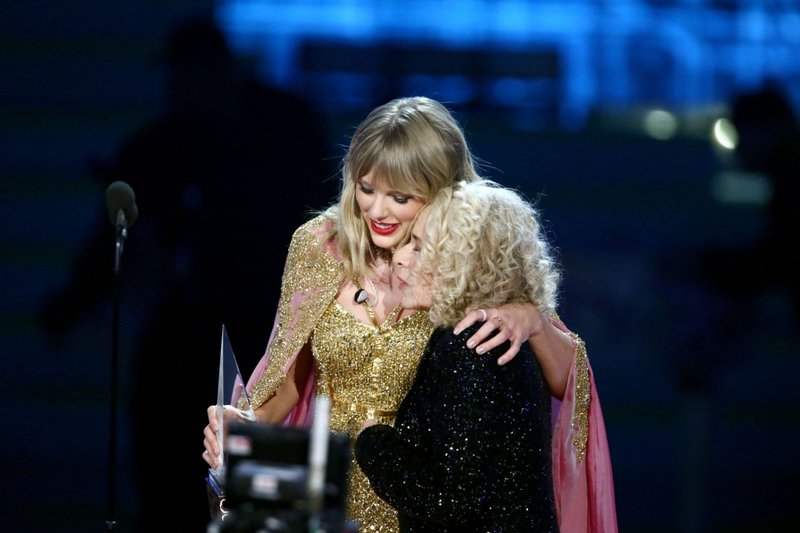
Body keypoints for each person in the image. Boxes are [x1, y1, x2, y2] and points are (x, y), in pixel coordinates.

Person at [202, 96, 577, 532]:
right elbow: (288, 380)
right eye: (366, 188)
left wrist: (531, 319)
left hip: (425, 507)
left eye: (400, 197)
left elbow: (565, 383)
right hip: (328, 501)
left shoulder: (472, 256)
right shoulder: (318, 247)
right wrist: (244, 427)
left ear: (443, 191)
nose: (377, 211)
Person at [40, 16, 336, 531]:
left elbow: (319, 217)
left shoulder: (274, 131)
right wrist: (71, 302)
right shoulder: (166, 143)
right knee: (174, 464)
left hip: (261, 326)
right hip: (198, 333)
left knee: (260, 467)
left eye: (191, 74)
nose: (183, 87)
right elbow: (116, 230)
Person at [354, 180, 618, 532]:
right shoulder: (485, 335)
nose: (400, 258)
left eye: (418, 247)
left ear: (462, 263)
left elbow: (450, 497)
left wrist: (372, 443)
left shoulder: (473, 346)